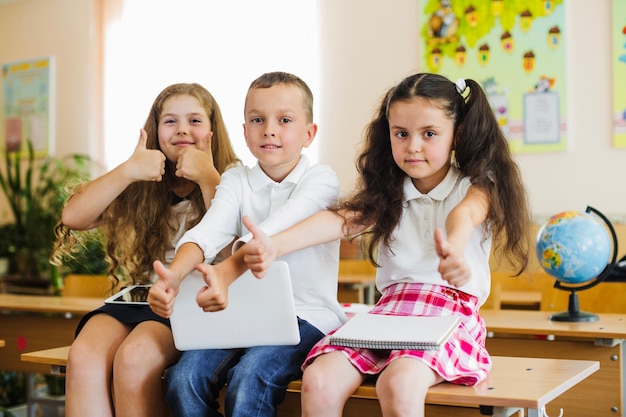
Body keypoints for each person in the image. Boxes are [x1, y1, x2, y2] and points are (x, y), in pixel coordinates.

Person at [216, 72, 532, 417]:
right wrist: (274, 245)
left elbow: (466, 215)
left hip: (448, 313)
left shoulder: (477, 184)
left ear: (456, 136)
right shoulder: (389, 192)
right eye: (401, 134)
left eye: (429, 134)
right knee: (319, 378)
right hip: (387, 311)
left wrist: (453, 249)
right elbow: (338, 221)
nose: (413, 146)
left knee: (397, 382)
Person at [147, 71, 346, 417]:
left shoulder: (322, 180)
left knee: (249, 380)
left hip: (308, 317)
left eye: (284, 120)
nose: (269, 128)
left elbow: (271, 232)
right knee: (183, 379)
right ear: (244, 131)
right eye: (257, 119)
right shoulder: (236, 179)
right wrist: (174, 275)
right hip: (241, 317)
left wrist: (228, 269)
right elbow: (207, 232)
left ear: (309, 133)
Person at [50, 82, 239, 417]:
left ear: (213, 131)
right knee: (82, 356)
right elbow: (73, 216)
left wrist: (208, 178)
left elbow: (229, 247)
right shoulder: (143, 184)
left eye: (194, 121)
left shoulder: (234, 179)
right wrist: (127, 171)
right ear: (155, 131)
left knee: (134, 357)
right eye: (170, 121)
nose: (182, 129)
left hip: (191, 303)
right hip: (143, 297)